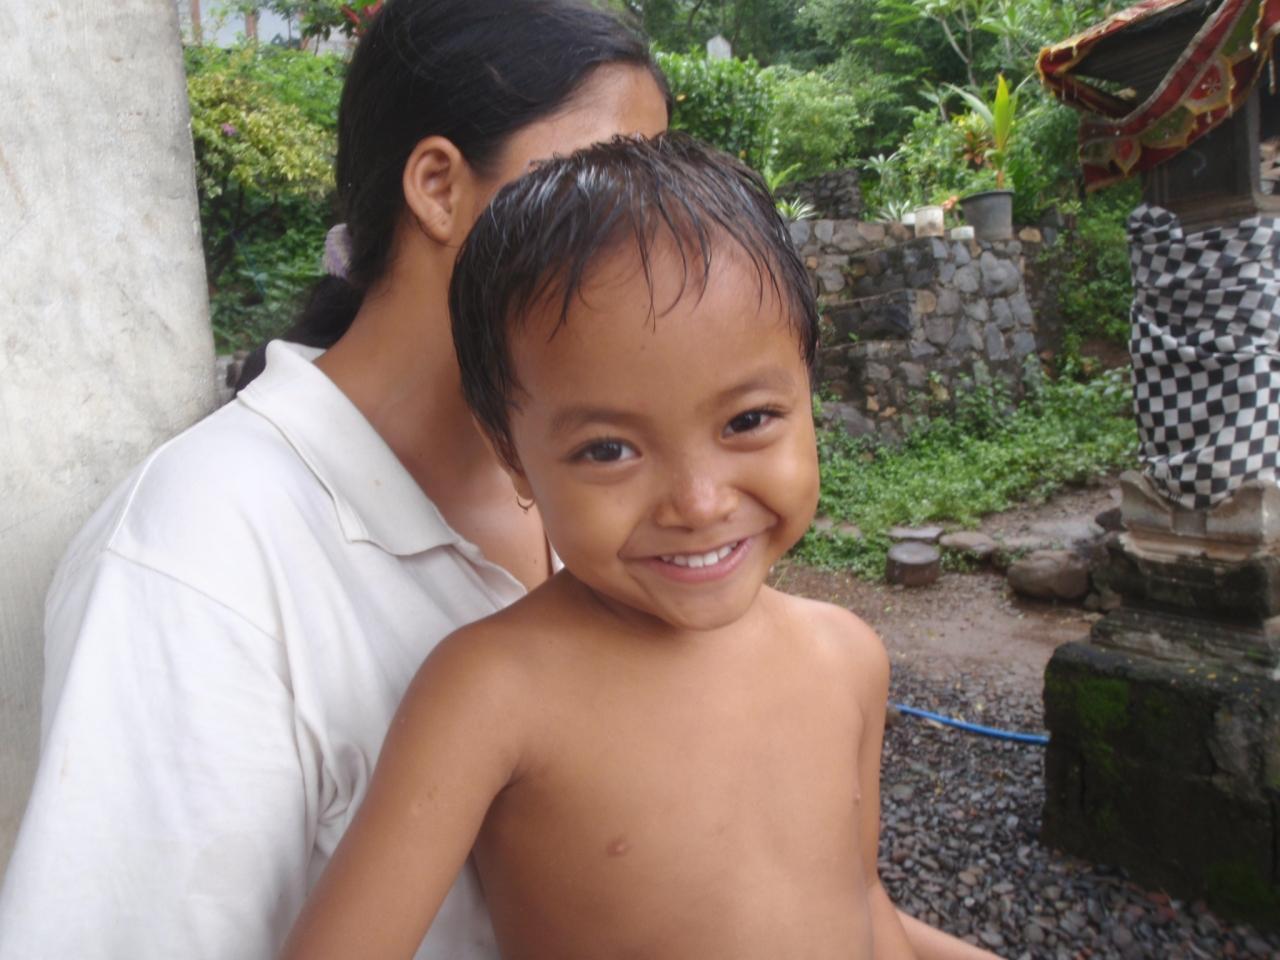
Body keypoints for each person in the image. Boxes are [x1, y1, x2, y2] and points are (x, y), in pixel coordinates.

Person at [0, 2, 668, 957]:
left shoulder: (612, 478)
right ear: (437, 187)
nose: (651, 245)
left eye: (661, 189)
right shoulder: (200, 554)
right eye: (602, 187)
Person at [281, 134, 1002, 960]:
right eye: (608, 450)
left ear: (810, 389)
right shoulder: (491, 693)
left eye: (748, 421)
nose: (698, 503)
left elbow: (858, 898)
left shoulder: (849, 657)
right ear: (513, 455)